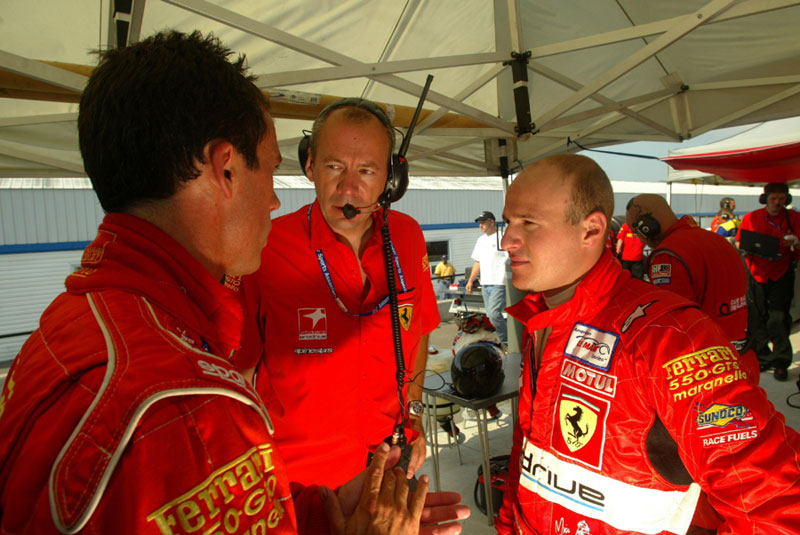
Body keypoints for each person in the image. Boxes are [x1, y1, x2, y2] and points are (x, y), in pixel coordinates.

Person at [0, 31, 467, 535]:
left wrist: (321, 520)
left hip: (350, 480)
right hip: (304, 469)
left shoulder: (82, 322)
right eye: (268, 169)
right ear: (226, 169)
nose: (273, 200)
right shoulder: (180, 400)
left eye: (368, 171)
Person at [497, 154, 800, 535]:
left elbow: (774, 507)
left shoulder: (669, 335)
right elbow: (527, 455)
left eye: (528, 222)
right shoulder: (543, 320)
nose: (506, 241)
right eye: (508, 222)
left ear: (592, 230)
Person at [240, 98, 439, 492]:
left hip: (389, 463)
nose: (349, 188)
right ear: (310, 166)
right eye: (334, 167)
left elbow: (419, 328)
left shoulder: (408, 236)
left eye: (366, 170)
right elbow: (238, 373)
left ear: (391, 179)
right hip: (299, 480)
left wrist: (415, 413)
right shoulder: (264, 246)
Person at [625, 194, 758, 383]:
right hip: (743, 358)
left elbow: (674, 324)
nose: (640, 239)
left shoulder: (668, 254)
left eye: (636, 232)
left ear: (646, 226)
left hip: (708, 370)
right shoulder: (716, 240)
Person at [737, 182, 800, 381]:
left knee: (778, 319)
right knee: (756, 318)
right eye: (773, 199)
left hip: (781, 272)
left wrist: (796, 242)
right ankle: (762, 357)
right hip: (755, 272)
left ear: (787, 199)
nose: (777, 203)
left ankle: (781, 361)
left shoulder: (795, 219)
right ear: (765, 199)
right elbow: (739, 242)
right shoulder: (751, 218)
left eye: (782, 199)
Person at [466, 211, 509, 348]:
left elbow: (511, 259)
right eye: (480, 223)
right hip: (485, 283)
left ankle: (505, 341)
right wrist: (470, 280)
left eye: (483, 222)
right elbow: (477, 262)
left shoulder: (503, 237)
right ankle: (502, 337)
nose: (481, 225)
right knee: (490, 315)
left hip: (499, 282)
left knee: (494, 314)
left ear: (492, 222)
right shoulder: (481, 240)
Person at [615, 210, 646, 279]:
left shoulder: (626, 226)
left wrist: (617, 252)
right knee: (637, 279)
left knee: (625, 277)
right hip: (638, 257)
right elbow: (645, 241)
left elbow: (620, 240)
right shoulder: (642, 227)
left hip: (626, 257)